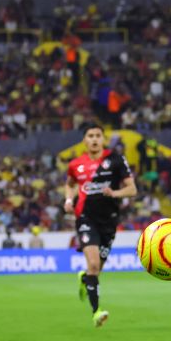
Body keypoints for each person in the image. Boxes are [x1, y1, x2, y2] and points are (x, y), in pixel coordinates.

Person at [64, 123, 137, 327]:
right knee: (94, 265)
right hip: (86, 218)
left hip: (109, 221)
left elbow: (132, 189)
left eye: (98, 135)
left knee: (96, 269)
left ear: (103, 139)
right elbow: (69, 184)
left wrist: (115, 193)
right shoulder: (76, 164)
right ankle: (96, 312)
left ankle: (85, 278)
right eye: (90, 135)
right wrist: (69, 201)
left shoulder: (114, 160)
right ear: (85, 140)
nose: (94, 139)